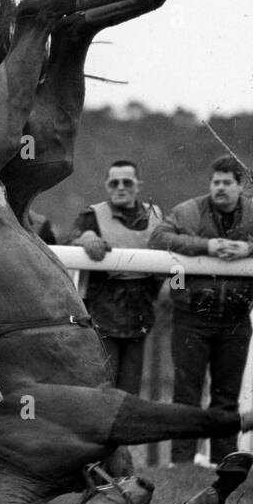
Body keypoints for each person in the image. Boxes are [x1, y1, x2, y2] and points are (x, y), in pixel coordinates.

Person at [149, 154, 253, 467]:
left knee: (226, 397)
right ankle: (181, 463)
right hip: (192, 315)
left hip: (236, 316)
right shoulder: (188, 210)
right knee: (187, 394)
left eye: (227, 183)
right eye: (215, 182)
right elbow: (158, 237)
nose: (220, 188)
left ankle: (224, 461)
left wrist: (250, 248)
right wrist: (206, 246)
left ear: (240, 186)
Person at [68, 159, 165, 395]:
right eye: (114, 183)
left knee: (130, 390)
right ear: (107, 186)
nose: (121, 187)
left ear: (138, 185)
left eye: (127, 182)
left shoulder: (155, 215)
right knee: (104, 388)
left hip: (140, 314)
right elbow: (69, 242)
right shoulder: (91, 215)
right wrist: (86, 238)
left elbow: (169, 247)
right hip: (102, 316)